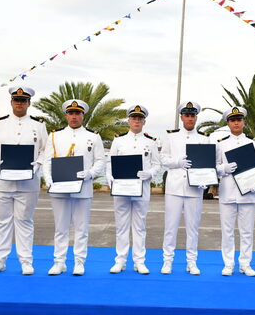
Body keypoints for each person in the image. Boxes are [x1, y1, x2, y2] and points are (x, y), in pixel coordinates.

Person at [0, 86, 48, 275]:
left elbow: (45, 150)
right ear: (11, 102)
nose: (20, 103)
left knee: (25, 221)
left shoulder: (38, 125)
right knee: (1, 222)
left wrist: (37, 165)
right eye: (16, 100)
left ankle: (26, 261)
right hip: (1, 181)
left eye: (23, 100)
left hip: (28, 182)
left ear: (29, 103)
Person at [43, 99, 105, 276]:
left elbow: (100, 160)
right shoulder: (55, 136)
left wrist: (90, 173)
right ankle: (59, 262)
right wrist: (48, 179)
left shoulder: (93, 136)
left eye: (77, 113)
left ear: (83, 115)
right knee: (60, 228)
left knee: (81, 228)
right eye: (71, 113)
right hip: (59, 187)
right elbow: (47, 161)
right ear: (66, 115)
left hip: (83, 188)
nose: (74, 116)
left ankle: (79, 262)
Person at [106, 105, 160, 275]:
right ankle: (120, 261)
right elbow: (110, 162)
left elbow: (157, 164)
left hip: (141, 188)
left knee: (139, 226)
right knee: (121, 226)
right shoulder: (119, 141)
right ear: (128, 121)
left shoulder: (151, 142)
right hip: (121, 189)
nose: (137, 121)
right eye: (134, 118)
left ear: (144, 121)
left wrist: (150, 173)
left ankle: (139, 261)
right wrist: (110, 179)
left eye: (140, 118)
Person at [160, 101, 210, 275]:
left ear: (196, 117)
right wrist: (177, 163)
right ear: (181, 117)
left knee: (193, 228)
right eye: (187, 115)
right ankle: (167, 261)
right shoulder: (171, 137)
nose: (190, 118)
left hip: (194, 189)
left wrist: (206, 179)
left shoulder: (204, 138)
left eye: (193, 115)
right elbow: (163, 158)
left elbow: (207, 162)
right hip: (174, 187)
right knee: (170, 227)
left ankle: (192, 262)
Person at [215, 106, 255, 277]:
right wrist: (223, 168)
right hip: (228, 192)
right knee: (227, 231)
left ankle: (245, 263)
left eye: (239, 120)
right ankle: (228, 264)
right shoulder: (221, 144)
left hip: (248, 193)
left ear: (244, 122)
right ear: (228, 123)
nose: (236, 123)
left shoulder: (254, 143)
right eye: (233, 120)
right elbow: (214, 167)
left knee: (247, 231)